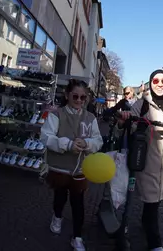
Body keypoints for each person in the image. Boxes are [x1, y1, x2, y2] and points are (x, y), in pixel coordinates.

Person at [117, 70, 163, 251]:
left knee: (156, 202)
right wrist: (124, 121)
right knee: (151, 203)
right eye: (156, 81)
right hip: (146, 161)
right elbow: (130, 126)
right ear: (150, 83)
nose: (160, 84)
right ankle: (154, 242)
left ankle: (145, 222)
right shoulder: (142, 104)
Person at [41, 79, 103, 251]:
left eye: (83, 97)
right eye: (75, 96)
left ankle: (77, 237)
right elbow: (46, 137)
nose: (79, 100)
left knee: (78, 202)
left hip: (80, 167)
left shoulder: (90, 117)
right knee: (60, 197)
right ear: (67, 95)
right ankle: (57, 217)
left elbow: (98, 140)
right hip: (59, 167)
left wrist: (88, 144)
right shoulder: (56, 114)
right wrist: (67, 145)